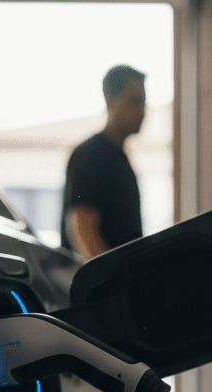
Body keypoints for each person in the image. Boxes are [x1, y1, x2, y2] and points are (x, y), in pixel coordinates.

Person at [61, 65, 146, 258]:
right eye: (135, 101)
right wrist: (107, 282)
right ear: (110, 103)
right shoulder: (91, 156)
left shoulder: (119, 158)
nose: (142, 111)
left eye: (143, 102)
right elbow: (81, 225)